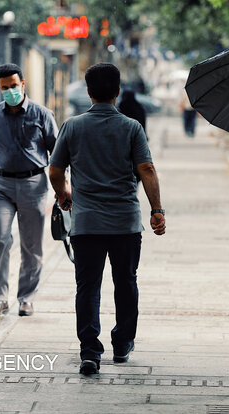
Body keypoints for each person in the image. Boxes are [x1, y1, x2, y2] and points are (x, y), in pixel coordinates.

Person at [49, 63, 166, 376]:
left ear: (89, 92)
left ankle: (90, 352)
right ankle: (122, 343)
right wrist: (157, 210)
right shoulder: (131, 128)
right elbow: (147, 170)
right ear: (118, 91)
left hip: (86, 223)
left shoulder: (72, 126)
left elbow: (55, 171)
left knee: (88, 287)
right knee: (125, 282)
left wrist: (64, 197)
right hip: (125, 223)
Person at [0, 63, 58, 318]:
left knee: (31, 246)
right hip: (1, 186)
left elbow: (58, 150)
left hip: (34, 185)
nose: (11, 91)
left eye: (14, 86)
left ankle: (26, 297)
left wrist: (62, 185)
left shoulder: (42, 115)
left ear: (23, 83)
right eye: (5, 87)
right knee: (0, 238)